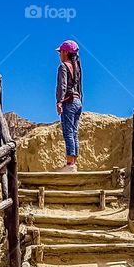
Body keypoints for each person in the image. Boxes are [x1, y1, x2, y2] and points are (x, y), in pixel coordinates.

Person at [55, 39, 83, 172]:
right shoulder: (77, 67)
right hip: (78, 101)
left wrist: (59, 101)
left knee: (68, 132)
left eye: (60, 52)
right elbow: (79, 86)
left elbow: (62, 85)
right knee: (74, 132)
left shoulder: (63, 66)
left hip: (69, 101)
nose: (59, 54)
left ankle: (70, 165)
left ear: (65, 52)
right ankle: (74, 163)